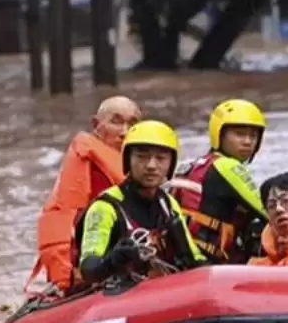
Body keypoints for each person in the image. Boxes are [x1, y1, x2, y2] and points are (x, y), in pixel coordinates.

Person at [24, 96, 143, 296]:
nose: (125, 132)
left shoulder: (147, 167)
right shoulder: (89, 166)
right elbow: (71, 219)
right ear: (96, 125)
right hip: (95, 264)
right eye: (116, 122)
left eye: (132, 123)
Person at [74, 120, 206, 287]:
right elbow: (88, 269)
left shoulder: (168, 204)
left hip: (160, 292)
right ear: (128, 160)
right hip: (115, 297)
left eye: (160, 158)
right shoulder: (105, 207)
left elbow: (194, 258)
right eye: (142, 157)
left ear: (170, 164)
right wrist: (114, 259)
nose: (151, 166)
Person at [168, 99, 268, 264]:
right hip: (208, 264)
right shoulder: (227, 166)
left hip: (178, 259)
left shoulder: (194, 166)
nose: (248, 142)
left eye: (253, 135)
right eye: (239, 134)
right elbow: (267, 211)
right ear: (219, 135)